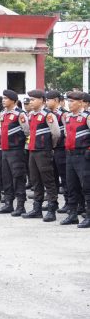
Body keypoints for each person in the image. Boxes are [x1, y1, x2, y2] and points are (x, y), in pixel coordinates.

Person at [22, 89, 61, 221]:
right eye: (30, 100)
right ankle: (37, 208)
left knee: (48, 181)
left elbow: (56, 134)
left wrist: (50, 146)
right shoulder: (31, 115)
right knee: (35, 181)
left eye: (33, 100)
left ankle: (51, 209)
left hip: (43, 151)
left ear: (42, 101)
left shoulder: (47, 115)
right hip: (32, 151)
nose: (31, 102)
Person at [0, 90, 29, 215]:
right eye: (3, 98)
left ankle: (20, 206)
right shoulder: (3, 113)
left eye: (6, 98)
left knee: (18, 177)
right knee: (6, 177)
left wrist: (18, 142)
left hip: (16, 150)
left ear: (13, 100)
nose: (3, 100)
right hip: (5, 150)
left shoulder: (19, 114)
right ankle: (8, 204)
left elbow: (27, 131)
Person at [61, 91, 90, 227]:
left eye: (72, 101)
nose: (69, 104)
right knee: (71, 186)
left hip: (83, 155)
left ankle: (89, 216)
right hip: (70, 155)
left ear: (80, 102)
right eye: (69, 101)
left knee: (87, 187)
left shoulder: (87, 117)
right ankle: (72, 215)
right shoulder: (67, 117)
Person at [46, 91, 69, 213]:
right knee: (52, 176)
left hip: (61, 148)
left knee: (64, 177)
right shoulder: (48, 114)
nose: (46, 102)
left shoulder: (64, 114)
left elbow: (67, 132)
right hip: (51, 148)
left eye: (48, 100)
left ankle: (68, 202)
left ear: (55, 100)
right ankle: (53, 202)